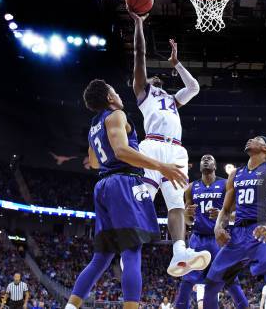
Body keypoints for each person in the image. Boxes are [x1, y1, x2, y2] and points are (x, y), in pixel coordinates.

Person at [64, 79, 187, 309]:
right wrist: (161, 166)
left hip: (102, 187)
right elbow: (121, 151)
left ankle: (70, 306)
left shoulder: (94, 126)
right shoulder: (117, 115)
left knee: (102, 257)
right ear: (110, 98)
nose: (120, 95)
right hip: (122, 183)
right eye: (115, 92)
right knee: (132, 250)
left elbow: (93, 161)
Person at [129, 9, 210, 277]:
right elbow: (139, 55)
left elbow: (195, 87)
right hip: (151, 147)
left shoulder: (172, 100)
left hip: (176, 149)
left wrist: (176, 63)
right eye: (155, 80)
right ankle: (129, 249)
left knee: (176, 204)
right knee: (144, 200)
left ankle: (179, 252)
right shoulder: (143, 93)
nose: (157, 81)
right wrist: (139, 24)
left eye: (160, 80)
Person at [203, 136, 266, 309]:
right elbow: (226, 210)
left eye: (256, 139)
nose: (249, 139)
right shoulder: (235, 174)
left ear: (265, 148)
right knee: (211, 285)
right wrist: (218, 227)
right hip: (238, 234)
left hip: (261, 229)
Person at [174, 155, 248, 309]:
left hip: (219, 239)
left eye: (210, 158)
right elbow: (188, 221)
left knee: (229, 279)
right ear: (200, 166)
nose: (206, 159)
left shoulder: (226, 184)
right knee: (187, 280)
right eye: (203, 159)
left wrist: (223, 214)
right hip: (198, 239)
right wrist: (188, 214)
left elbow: (237, 213)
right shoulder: (190, 187)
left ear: (215, 166)